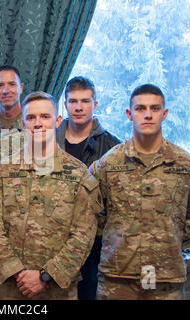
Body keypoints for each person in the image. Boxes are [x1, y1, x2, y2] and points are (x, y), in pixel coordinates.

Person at [90, 84, 190, 300]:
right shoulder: (109, 164)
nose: (148, 114)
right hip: (119, 278)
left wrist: (174, 238)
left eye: (155, 108)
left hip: (166, 277)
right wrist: (116, 236)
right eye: (140, 108)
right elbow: (92, 208)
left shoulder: (185, 165)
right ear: (129, 114)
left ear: (164, 114)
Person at [0, 91, 102, 300]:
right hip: (13, 288)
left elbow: (83, 236)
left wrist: (45, 277)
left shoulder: (79, 174)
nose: (38, 123)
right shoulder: (3, 171)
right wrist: (18, 273)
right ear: (23, 123)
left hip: (58, 289)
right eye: (31, 118)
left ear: (57, 121)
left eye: (45, 117)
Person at [56, 76, 121, 300]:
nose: (79, 107)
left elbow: (118, 198)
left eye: (85, 101)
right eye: (73, 101)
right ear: (65, 105)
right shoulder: (49, 141)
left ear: (95, 104)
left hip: (94, 243)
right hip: (53, 237)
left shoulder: (113, 146)